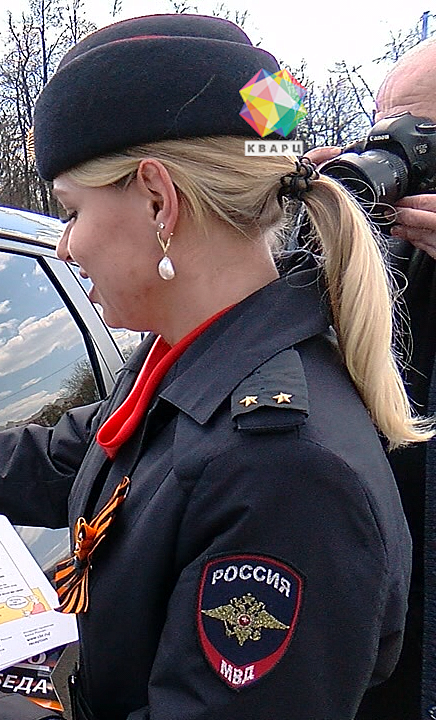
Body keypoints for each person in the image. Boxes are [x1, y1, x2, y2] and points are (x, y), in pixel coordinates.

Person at [0, 14, 432, 720]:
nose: (65, 245)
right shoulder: (195, 361)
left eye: (72, 210)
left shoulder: (287, 471)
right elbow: (66, 457)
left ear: (158, 199)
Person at [306, 37, 436, 720]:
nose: (396, 156)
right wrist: (317, 215)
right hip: (377, 636)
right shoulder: (388, 250)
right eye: (380, 130)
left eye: (419, 137)